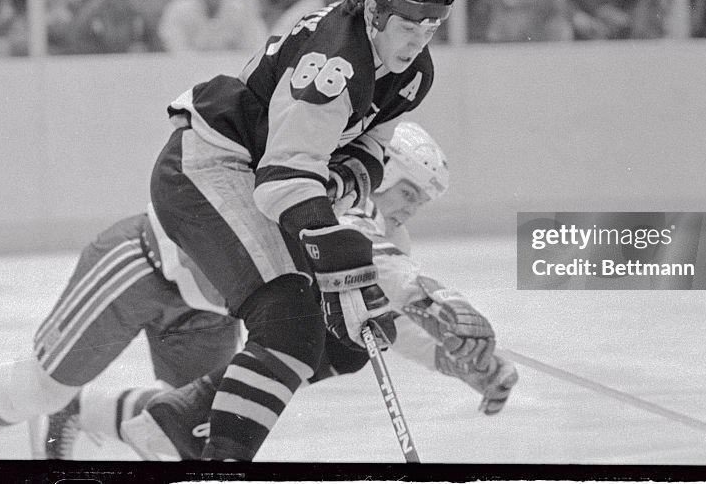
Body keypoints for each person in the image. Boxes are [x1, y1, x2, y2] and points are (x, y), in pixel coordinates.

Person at [30, 123, 517, 460]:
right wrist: (439, 306)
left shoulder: (391, 235)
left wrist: (453, 359)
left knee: (186, 421)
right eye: (410, 192)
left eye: (423, 201)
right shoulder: (340, 196)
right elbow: (375, 266)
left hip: (221, 302)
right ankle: (158, 414)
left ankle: (88, 410)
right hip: (188, 275)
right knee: (329, 346)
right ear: (385, 172)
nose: (413, 208)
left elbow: (384, 314)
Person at [148, 0, 453, 461]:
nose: (419, 41)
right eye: (409, 26)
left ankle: (191, 414)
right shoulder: (334, 62)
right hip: (209, 166)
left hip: (248, 170)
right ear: (375, 13)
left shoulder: (412, 69)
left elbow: (369, 148)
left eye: (431, 27)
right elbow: (283, 179)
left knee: (342, 344)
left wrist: (338, 188)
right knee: (290, 318)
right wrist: (336, 251)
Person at [0, 208, 241, 459]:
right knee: (42, 389)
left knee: (204, 427)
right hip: (147, 263)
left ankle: (81, 408)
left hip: (221, 298)